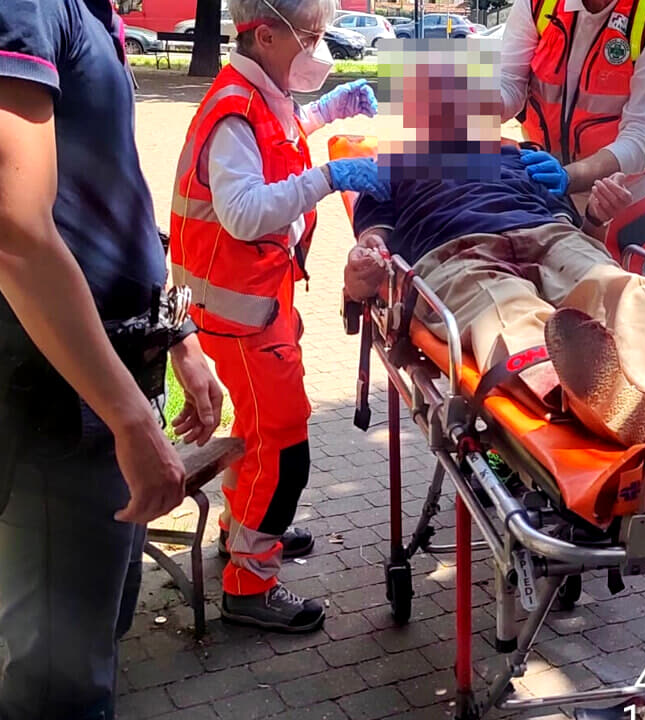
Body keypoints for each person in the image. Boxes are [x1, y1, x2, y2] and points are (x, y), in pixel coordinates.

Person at [0, 1, 223, 717]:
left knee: (95, 647)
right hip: (59, 397)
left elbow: (109, 195)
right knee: (59, 689)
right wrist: (133, 422)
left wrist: (179, 335)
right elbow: (14, 234)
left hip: (104, 381)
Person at [344, 67, 645, 446]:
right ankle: (579, 392)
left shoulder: (520, 155)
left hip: (549, 233)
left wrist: (596, 214)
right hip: (455, 251)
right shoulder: (389, 166)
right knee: (504, 306)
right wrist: (360, 270)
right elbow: (373, 251)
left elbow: (583, 233)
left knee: (617, 286)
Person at [169, 0, 385, 632]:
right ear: (265, 35)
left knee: (258, 432)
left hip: (251, 302)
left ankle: (246, 532)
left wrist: (330, 110)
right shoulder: (236, 110)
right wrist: (329, 177)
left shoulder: (257, 93)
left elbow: (282, 135)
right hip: (240, 313)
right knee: (286, 445)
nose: (321, 51)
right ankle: (249, 582)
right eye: (312, 38)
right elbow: (243, 211)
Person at [497, 0, 645, 278]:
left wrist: (570, 176)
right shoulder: (536, 4)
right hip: (547, 192)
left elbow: (642, 136)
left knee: (628, 307)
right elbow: (510, 83)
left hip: (621, 197)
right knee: (554, 297)